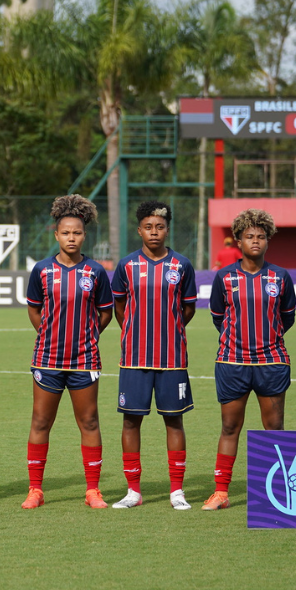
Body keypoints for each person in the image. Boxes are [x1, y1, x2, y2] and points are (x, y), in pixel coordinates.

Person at [21, 195, 114, 510]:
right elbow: (34, 310)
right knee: (40, 421)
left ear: (84, 235)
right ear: (56, 235)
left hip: (84, 360)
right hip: (47, 359)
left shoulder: (96, 271)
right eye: (65, 233)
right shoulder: (42, 271)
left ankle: (92, 491)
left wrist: (86, 338)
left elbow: (105, 314)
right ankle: (35, 490)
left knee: (89, 422)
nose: (71, 238)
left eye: (77, 233)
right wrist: (48, 334)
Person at [201, 209, 295, 511]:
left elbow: (287, 317)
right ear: (238, 241)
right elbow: (218, 316)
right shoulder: (224, 276)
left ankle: (274, 493)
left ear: (268, 240)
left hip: (271, 362)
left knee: (274, 428)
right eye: (249, 236)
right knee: (230, 427)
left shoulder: (280, 277)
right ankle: (221, 492)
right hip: (232, 362)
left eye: (261, 236)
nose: (255, 241)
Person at [110, 201, 197, 510]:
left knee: (174, 422)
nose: (154, 232)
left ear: (167, 229)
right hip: (134, 358)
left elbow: (187, 309)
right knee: (131, 422)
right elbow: (119, 308)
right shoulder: (126, 266)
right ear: (139, 231)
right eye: (149, 227)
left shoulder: (182, 265)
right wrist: (135, 331)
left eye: (160, 227)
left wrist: (168, 330)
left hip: (172, 358)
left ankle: (177, 491)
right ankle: (133, 491)